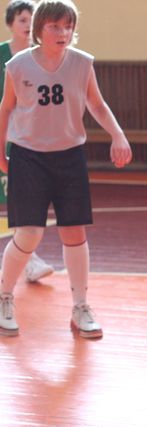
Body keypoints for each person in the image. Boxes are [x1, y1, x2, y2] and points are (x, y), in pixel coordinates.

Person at [0, 0, 132, 339]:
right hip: (29, 156)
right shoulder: (18, 65)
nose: (63, 33)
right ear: (39, 30)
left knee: (74, 232)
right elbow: (6, 109)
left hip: (70, 155)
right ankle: (4, 297)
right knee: (29, 234)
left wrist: (117, 135)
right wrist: (1, 153)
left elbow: (97, 104)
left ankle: (80, 307)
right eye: (55, 26)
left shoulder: (81, 63)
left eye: (68, 26)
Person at [0, 0, 55, 283]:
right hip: (3, 132)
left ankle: (28, 260)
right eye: (22, 19)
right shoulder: (2, 55)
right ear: (10, 23)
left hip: (25, 138)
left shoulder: (41, 56)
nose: (27, 25)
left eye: (32, 20)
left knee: (20, 199)